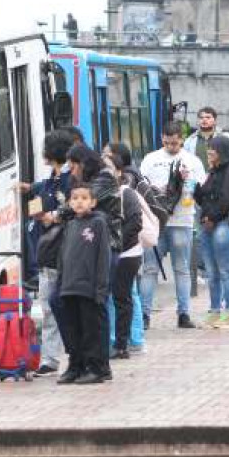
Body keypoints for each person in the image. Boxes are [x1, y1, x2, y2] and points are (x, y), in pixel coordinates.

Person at [17, 130, 74, 377]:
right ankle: (49, 359)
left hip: (62, 252)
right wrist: (29, 190)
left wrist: (49, 217)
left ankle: (65, 355)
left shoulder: (69, 182)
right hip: (46, 253)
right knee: (49, 306)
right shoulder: (49, 181)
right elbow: (39, 196)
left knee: (60, 305)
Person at [139, 122, 205, 329]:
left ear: (182, 139)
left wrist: (188, 182)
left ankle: (183, 313)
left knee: (182, 268)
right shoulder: (150, 159)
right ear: (161, 139)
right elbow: (140, 186)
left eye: (175, 143)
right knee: (150, 269)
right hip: (155, 222)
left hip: (182, 220)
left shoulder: (192, 161)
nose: (171, 146)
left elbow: (200, 187)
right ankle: (144, 314)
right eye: (167, 143)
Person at [55, 182, 111, 384]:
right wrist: (61, 282)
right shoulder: (70, 225)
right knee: (72, 329)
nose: (79, 202)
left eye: (84, 198)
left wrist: (101, 288)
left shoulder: (98, 223)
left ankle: (96, 367)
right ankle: (76, 365)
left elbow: (103, 257)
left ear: (93, 202)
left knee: (91, 329)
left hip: (89, 287)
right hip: (69, 286)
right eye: (75, 198)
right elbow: (63, 256)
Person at [195, 137, 229, 329]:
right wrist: (193, 188)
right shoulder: (212, 173)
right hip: (208, 226)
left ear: (222, 153)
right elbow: (204, 199)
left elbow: (227, 200)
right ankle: (215, 311)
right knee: (212, 273)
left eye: (212, 151)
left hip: (222, 226)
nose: (209, 154)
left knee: (225, 270)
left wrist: (212, 218)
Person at [103, 143, 144, 359]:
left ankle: (123, 343)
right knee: (111, 298)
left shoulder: (126, 193)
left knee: (123, 298)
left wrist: (116, 244)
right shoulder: (99, 194)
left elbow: (135, 223)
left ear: (119, 171)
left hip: (127, 254)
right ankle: (114, 341)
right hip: (109, 254)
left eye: (109, 167)